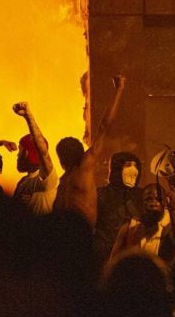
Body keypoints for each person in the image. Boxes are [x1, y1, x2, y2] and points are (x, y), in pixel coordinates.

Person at [52, 74, 125, 227]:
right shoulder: (64, 179)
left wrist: (119, 89)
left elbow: (105, 125)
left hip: (83, 235)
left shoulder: (84, 166)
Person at [109, 181, 175, 265]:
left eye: (158, 199)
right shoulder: (131, 226)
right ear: (141, 202)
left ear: (165, 202)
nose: (153, 203)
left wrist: (171, 208)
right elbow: (113, 261)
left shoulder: (170, 224)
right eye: (148, 199)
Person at [96, 151, 144, 263]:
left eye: (135, 165)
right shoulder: (101, 194)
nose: (133, 169)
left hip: (135, 257)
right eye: (128, 165)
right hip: (105, 257)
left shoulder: (143, 195)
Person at [11, 101, 58, 215]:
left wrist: (28, 117)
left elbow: (43, 152)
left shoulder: (44, 179)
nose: (17, 155)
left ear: (27, 153)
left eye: (20, 150)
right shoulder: (23, 182)